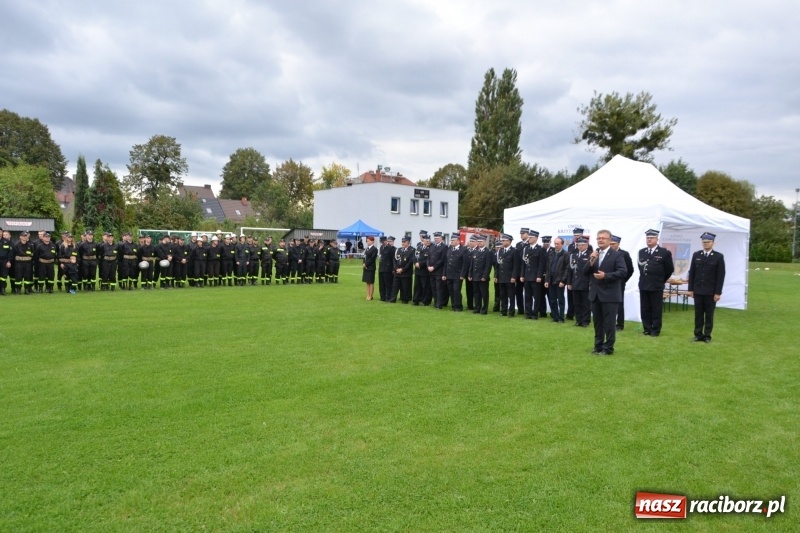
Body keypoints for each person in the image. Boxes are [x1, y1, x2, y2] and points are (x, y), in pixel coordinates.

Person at [585, 229, 627, 355]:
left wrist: (606, 276)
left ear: (610, 240)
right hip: (595, 294)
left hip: (610, 295)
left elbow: (623, 272)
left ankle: (608, 348)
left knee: (609, 323)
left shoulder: (617, 255)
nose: (601, 240)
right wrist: (591, 260)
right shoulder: (594, 254)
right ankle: (598, 346)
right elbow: (585, 272)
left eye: (603, 238)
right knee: (597, 323)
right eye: (599, 238)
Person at [688, 232, 726, 343]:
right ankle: (698, 334)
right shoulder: (697, 255)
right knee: (698, 314)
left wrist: (718, 292)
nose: (706, 244)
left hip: (710, 291)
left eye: (708, 242)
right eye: (704, 242)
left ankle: (707, 336)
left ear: (713, 243)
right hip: (698, 290)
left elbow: (720, 276)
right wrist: (690, 289)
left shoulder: (718, 256)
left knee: (709, 315)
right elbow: (692, 273)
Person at [638, 229, 674, 336]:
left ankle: (655, 330)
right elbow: (640, 267)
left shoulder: (664, 252)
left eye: (651, 238)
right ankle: (647, 328)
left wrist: (661, 280)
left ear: (657, 239)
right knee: (645, 308)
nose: (649, 240)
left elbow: (669, 269)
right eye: (648, 238)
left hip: (656, 285)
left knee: (656, 308)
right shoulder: (642, 252)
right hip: (644, 284)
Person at [609, 235, 634, 330]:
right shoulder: (607, 253)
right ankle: (609, 322)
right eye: (610, 244)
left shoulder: (624, 254)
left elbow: (630, 270)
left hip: (619, 282)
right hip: (608, 282)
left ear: (618, 244)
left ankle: (620, 324)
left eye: (613, 244)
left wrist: (623, 280)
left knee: (619, 303)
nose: (611, 246)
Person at [520, 230, 545, 319]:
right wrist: (522, 275)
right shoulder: (526, 249)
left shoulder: (540, 249)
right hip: (527, 276)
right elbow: (524, 263)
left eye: (531, 238)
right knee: (527, 296)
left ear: (536, 238)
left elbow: (541, 264)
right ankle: (528, 313)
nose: (529, 239)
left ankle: (535, 313)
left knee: (536, 296)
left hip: (535, 277)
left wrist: (539, 276)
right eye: (529, 237)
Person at [568, 237, 592, 327]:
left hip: (585, 283)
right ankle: (578, 320)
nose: (580, 247)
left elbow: (591, 271)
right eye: (578, 245)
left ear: (586, 245)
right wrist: (569, 282)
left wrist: (591, 283)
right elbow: (570, 270)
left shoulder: (590, 255)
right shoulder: (573, 255)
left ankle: (585, 321)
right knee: (576, 303)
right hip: (575, 283)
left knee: (585, 304)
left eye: (582, 245)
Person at [544, 237, 568, 323]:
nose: (556, 245)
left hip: (559, 281)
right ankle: (555, 316)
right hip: (551, 280)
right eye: (555, 244)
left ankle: (561, 317)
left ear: (562, 244)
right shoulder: (551, 254)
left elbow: (567, 269)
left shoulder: (565, 254)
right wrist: (546, 280)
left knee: (560, 300)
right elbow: (548, 268)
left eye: (558, 244)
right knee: (552, 300)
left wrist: (563, 281)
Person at [494, 233, 519, 317]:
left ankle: (511, 312)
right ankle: (503, 311)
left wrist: (513, 277)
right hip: (501, 276)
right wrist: (496, 276)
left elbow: (516, 266)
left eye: (504, 240)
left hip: (509, 277)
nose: (502, 242)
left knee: (511, 296)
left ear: (509, 241)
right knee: (502, 295)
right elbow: (498, 265)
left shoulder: (514, 251)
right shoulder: (501, 250)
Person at [444, 232, 468, 311]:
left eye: (453, 240)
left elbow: (465, 263)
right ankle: (453, 305)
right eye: (451, 240)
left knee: (456, 290)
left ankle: (458, 306)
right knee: (451, 291)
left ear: (458, 241)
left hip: (458, 274)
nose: (451, 242)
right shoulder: (449, 249)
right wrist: (444, 274)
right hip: (449, 274)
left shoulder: (463, 250)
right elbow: (446, 262)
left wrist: (462, 274)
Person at [469, 235, 492, 314]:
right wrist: (470, 274)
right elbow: (472, 264)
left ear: (484, 242)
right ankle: (477, 307)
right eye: (478, 242)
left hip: (482, 276)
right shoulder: (475, 251)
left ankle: (484, 309)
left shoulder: (488, 252)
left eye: (481, 242)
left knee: (484, 293)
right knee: (476, 293)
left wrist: (485, 276)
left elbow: (488, 266)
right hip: (475, 276)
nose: (479, 243)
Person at [389, 236, 414, 303]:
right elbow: (394, 260)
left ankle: (405, 299)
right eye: (402, 242)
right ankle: (392, 299)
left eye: (404, 242)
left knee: (405, 287)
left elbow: (410, 262)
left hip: (405, 272)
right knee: (395, 286)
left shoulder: (411, 250)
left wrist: (403, 269)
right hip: (397, 271)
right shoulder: (398, 250)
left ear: (408, 242)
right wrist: (396, 268)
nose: (403, 243)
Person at [428, 232, 447, 308]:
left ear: (441, 239)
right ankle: (436, 302)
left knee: (439, 288)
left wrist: (434, 267)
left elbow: (442, 259)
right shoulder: (432, 246)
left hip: (439, 271)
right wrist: (428, 266)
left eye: (437, 238)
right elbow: (429, 258)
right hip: (431, 271)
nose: (436, 239)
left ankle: (439, 304)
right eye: (435, 238)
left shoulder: (444, 247)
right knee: (433, 288)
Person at [378, 236, 395, 301]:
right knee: (381, 284)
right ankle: (382, 297)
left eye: (383, 242)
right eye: (381, 242)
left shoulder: (390, 248)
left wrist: (393, 268)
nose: (382, 243)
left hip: (388, 268)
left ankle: (388, 297)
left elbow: (393, 259)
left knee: (388, 284)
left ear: (386, 241)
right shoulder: (381, 247)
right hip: (381, 268)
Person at [0, 229, 12, 295]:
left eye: (0, 232)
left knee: (3, 276)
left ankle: (2, 289)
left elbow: (9, 253)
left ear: (2, 232)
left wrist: (9, 261)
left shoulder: (7, 241)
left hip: (4, 261)